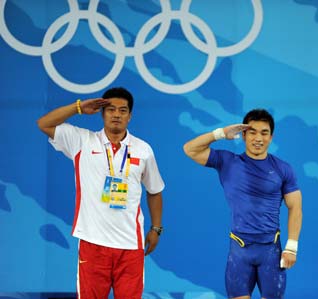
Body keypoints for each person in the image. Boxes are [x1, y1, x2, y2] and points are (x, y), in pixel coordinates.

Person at [37, 87, 165, 299]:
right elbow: (44, 124)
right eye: (111, 109)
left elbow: (155, 190)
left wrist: (156, 228)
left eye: (123, 110)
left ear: (130, 116)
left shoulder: (143, 150)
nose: (116, 114)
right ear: (102, 113)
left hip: (130, 245)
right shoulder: (81, 141)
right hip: (92, 243)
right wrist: (77, 108)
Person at [183, 109, 302, 299]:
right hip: (239, 251)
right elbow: (189, 149)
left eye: (264, 133)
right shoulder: (227, 162)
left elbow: (295, 207)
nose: (258, 138)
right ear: (243, 135)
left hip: (270, 250)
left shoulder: (283, 169)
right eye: (252, 132)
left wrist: (291, 247)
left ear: (271, 137)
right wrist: (220, 133)